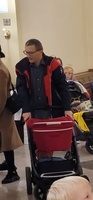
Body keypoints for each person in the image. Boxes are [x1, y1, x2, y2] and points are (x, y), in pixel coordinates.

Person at [15, 39, 72, 121]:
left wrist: (67, 108)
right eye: (26, 52)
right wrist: (26, 109)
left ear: (40, 51)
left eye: (31, 53)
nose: (28, 55)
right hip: (32, 111)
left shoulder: (53, 64)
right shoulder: (21, 66)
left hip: (53, 109)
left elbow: (63, 87)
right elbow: (22, 90)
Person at [0, 45, 23, 184]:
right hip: (2, 111)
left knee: (6, 141)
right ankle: (9, 164)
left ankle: (12, 171)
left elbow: (1, 96)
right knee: (4, 141)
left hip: (3, 111)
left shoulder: (0, 71)